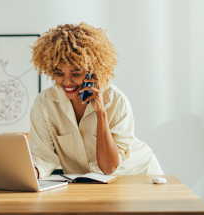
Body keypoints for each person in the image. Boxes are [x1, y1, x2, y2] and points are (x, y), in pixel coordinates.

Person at [29, 23, 163, 178]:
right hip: (91, 182)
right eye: (60, 74)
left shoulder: (115, 100)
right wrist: (33, 171)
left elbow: (109, 167)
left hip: (136, 176)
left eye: (75, 74)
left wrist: (101, 113)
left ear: (92, 71)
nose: (66, 82)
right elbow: (43, 156)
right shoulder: (45, 103)